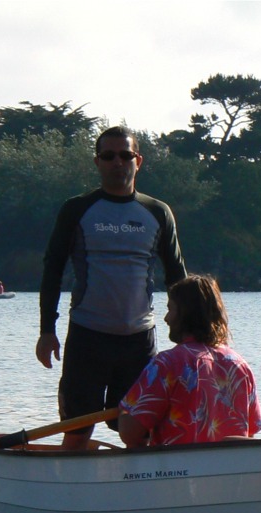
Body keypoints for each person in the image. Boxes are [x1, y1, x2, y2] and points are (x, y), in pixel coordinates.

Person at [35, 126, 187, 449]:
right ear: (97, 162)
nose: (117, 162)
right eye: (108, 156)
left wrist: (190, 336)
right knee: (78, 430)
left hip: (139, 341)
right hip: (88, 337)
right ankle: (70, 479)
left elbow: (178, 278)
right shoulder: (76, 209)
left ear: (138, 161)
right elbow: (53, 270)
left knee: (138, 433)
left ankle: (141, 482)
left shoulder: (157, 212)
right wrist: (47, 330)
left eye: (125, 155)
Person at [118, 274, 261, 447]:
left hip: (177, 464)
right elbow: (250, 434)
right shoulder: (240, 366)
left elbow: (129, 434)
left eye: (170, 309)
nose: (166, 318)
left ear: (185, 313)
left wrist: (124, 412)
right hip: (230, 464)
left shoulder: (167, 364)